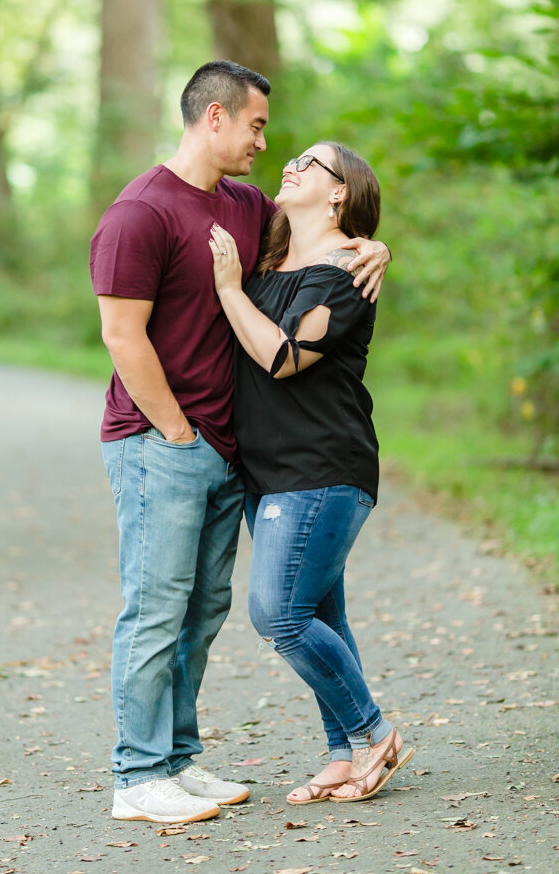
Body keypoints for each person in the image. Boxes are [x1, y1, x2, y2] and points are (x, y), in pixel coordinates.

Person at [90, 61, 391, 825]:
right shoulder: (139, 212)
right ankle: (136, 776)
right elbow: (122, 337)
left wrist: (372, 248)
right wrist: (178, 431)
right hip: (162, 442)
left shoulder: (249, 208)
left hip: (229, 453)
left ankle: (177, 761)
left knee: (200, 613)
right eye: (255, 125)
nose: (266, 141)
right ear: (215, 117)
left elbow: (325, 250)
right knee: (155, 610)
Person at [208, 140, 414, 805]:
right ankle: (340, 754)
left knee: (278, 613)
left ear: (338, 192)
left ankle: (373, 732)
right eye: (287, 158)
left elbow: (281, 357)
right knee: (321, 611)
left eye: (308, 163)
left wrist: (227, 288)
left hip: (322, 465)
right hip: (267, 470)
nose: (287, 166)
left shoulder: (344, 270)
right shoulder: (272, 260)